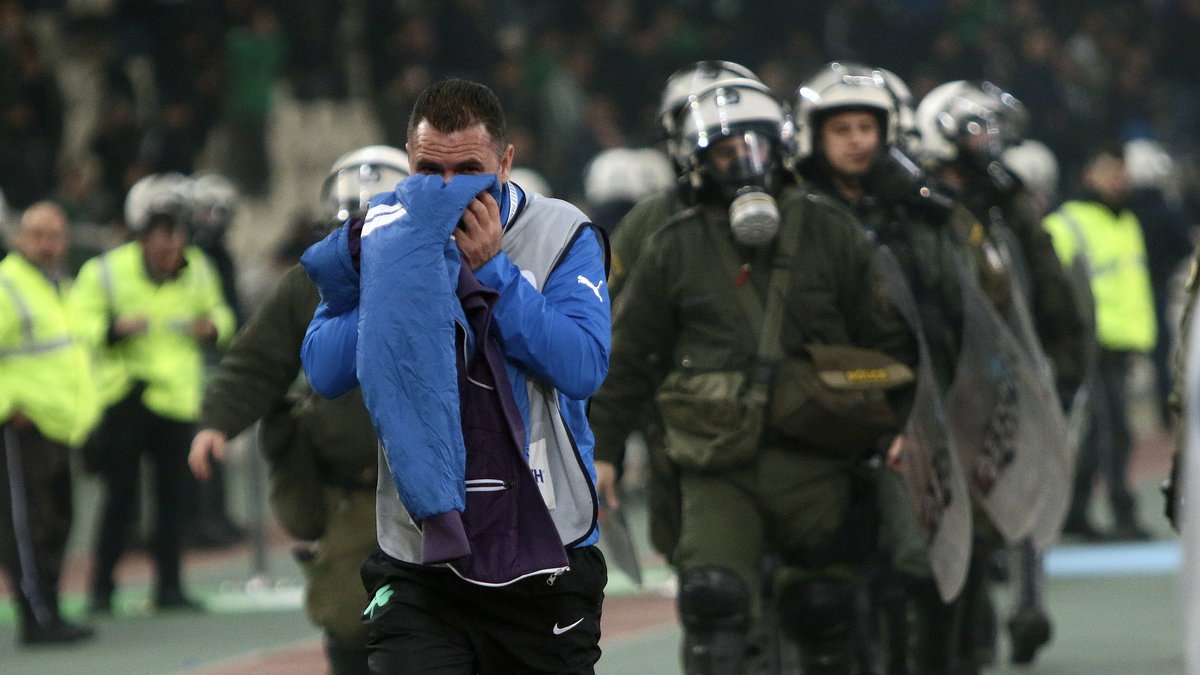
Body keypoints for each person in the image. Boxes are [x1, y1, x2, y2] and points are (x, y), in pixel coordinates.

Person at [590, 76, 917, 674]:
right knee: (714, 600)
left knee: (825, 611)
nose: (746, 162)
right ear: (695, 160)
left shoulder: (831, 230)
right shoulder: (670, 242)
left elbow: (888, 340)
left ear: (783, 146)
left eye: (758, 146)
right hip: (715, 463)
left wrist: (900, 424)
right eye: (725, 151)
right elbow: (628, 352)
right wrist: (604, 449)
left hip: (819, 456)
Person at [301, 79, 610, 674]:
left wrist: (495, 271)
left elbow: (582, 366)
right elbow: (325, 370)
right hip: (421, 556)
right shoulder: (384, 234)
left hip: (546, 548)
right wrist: (394, 274)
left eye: (469, 169)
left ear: (506, 162)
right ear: (407, 162)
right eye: (428, 171)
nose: (447, 189)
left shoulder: (560, 232)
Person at [188, 144, 409, 674]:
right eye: (351, 221)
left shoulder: (452, 275)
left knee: (451, 624)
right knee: (349, 620)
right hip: (349, 491)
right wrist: (217, 422)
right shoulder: (307, 286)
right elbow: (257, 360)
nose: (362, 235)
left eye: (376, 221)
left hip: (445, 494)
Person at [791, 61, 981, 674]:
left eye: (866, 127)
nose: (855, 140)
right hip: (818, 416)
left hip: (913, 413)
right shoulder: (791, 216)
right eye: (840, 127)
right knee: (820, 581)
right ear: (814, 135)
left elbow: (960, 312)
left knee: (920, 568)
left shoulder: (921, 215)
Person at [70, 172, 236, 614]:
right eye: (163, 238)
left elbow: (223, 315)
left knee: (174, 501)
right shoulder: (103, 271)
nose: (172, 247)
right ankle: (101, 591)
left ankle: (170, 588)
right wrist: (113, 329)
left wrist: (213, 327)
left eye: (178, 237)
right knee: (119, 501)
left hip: (177, 402)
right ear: (142, 238)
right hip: (124, 398)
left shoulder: (198, 268)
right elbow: (77, 324)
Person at [1043, 145, 1157, 542]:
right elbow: (1052, 287)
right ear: (1088, 175)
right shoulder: (1069, 222)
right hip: (1090, 343)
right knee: (1113, 431)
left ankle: (1074, 512)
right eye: (1109, 171)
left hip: (1121, 340)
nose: (1118, 179)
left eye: (1121, 172)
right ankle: (1122, 512)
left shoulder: (1125, 221)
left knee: (1098, 432)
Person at [0, 202, 101, 645]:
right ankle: (35, 616)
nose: (48, 244)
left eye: (56, 235)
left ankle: (52, 608)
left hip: (63, 425)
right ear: (20, 238)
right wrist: (10, 408)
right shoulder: (7, 286)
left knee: (61, 520)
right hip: (24, 427)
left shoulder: (61, 286)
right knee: (27, 526)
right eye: (38, 235)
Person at [186, 171, 249, 550]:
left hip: (216, 356)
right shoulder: (198, 256)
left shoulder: (215, 254)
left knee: (213, 437)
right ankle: (202, 521)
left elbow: (228, 310)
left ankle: (215, 517)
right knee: (204, 441)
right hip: (197, 363)